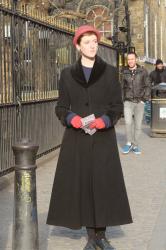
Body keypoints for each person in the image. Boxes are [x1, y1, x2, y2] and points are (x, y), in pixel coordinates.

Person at [47, 25, 132, 250]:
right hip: (77, 139)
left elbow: (116, 106)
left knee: (102, 184)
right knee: (83, 184)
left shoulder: (110, 72)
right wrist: (71, 118)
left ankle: (101, 237)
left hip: (103, 138)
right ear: (78, 46)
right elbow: (61, 107)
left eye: (94, 41)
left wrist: (105, 120)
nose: (92, 46)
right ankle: (91, 236)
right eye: (86, 42)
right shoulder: (66, 74)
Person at [121, 52, 151, 155]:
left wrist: (144, 100)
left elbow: (148, 86)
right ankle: (129, 143)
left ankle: (135, 145)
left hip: (139, 102)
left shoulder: (143, 71)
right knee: (128, 123)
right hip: (128, 101)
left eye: (132, 59)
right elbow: (122, 87)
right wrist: (123, 99)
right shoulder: (124, 72)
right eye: (128, 59)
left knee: (138, 125)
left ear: (136, 59)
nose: (130, 61)